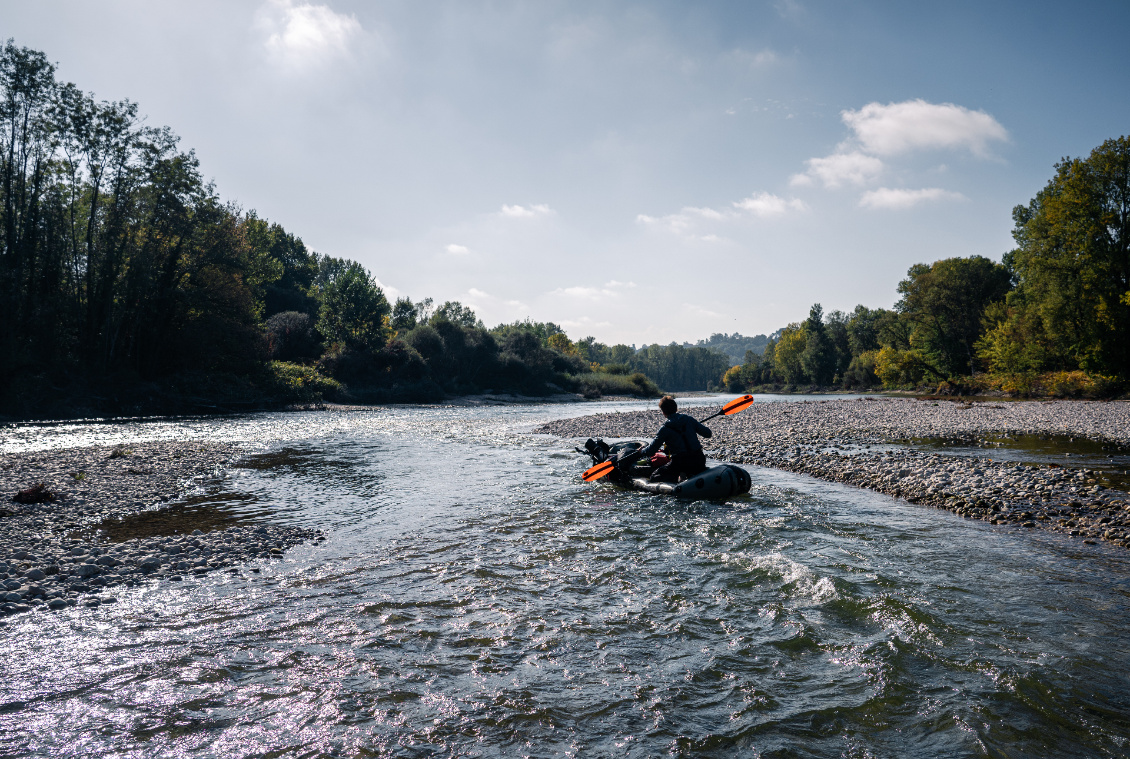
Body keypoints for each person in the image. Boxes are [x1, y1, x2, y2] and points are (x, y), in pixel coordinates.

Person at [620, 395, 712, 483]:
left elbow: (651, 451)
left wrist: (641, 452)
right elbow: (708, 434)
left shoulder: (665, 429)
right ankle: (685, 475)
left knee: (654, 477)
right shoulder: (689, 420)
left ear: (663, 412)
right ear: (676, 409)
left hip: (680, 463)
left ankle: (679, 479)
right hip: (699, 460)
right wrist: (694, 426)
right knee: (683, 466)